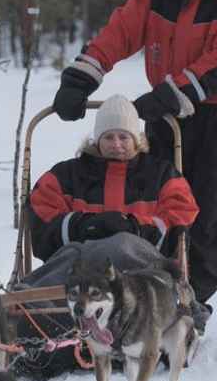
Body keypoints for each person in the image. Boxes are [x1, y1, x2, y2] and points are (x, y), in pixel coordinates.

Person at [50, 0, 217, 318]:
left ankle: (192, 301)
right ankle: (148, 293)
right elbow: (121, 30)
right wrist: (81, 77)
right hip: (165, 117)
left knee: (210, 211)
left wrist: (169, 93)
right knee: (156, 204)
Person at [28, 94, 199, 261]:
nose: (116, 144)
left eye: (123, 137)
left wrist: (135, 229)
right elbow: (42, 218)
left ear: (136, 140)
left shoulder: (162, 175)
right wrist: (82, 226)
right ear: (97, 140)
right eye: (108, 137)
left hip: (144, 269)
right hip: (77, 267)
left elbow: (180, 215)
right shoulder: (66, 175)